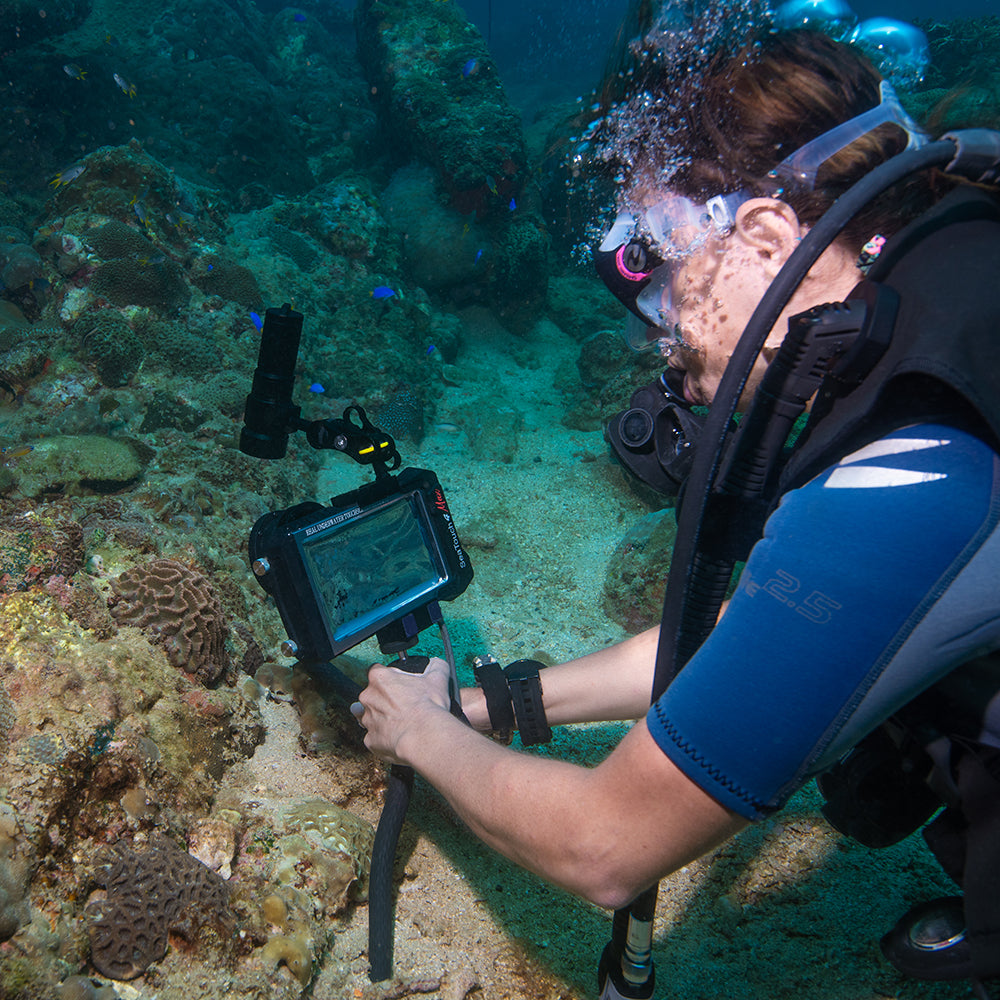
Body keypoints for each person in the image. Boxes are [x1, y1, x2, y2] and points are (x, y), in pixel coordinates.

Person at [354, 24, 1000, 992]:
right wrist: (496, 705)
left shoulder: (911, 466)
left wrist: (420, 732)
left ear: (767, 238)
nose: (654, 328)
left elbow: (606, 844)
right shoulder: (948, 275)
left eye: (662, 272)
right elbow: (754, 630)